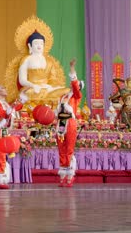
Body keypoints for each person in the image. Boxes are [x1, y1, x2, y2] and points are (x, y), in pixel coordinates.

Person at [55, 59, 83, 187]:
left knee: (69, 149)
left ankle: (70, 175)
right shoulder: (62, 97)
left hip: (70, 123)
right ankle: (63, 174)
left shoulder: (76, 96)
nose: (72, 86)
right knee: (61, 149)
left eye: (76, 86)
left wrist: (72, 68)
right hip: (60, 123)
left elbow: (74, 82)